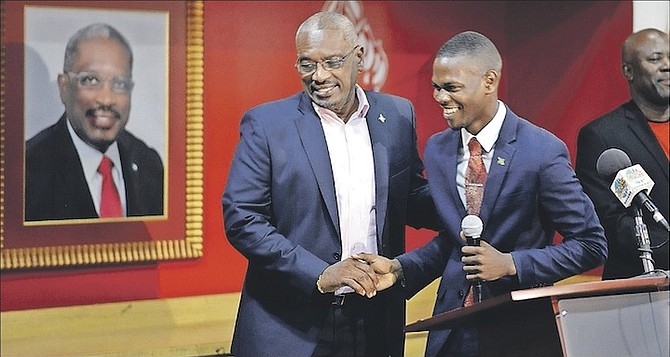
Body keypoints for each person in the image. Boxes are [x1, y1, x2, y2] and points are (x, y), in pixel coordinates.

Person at [357, 31, 608, 357]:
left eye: (451, 87)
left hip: (520, 332)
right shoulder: (438, 149)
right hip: (451, 331)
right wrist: (400, 269)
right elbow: (454, 241)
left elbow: (590, 245)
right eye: (436, 87)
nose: (440, 98)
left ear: (489, 81)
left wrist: (512, 264)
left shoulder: (542, 151)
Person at [221, 11, 438, 357]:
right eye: (307, 65)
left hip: (375, 319)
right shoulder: (266, 124)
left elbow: (410, 196)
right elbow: (242, 219)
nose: (319, 76)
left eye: (332, 62)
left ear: (359, 57)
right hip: (290, 326)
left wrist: (467, 200)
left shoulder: (397, 116)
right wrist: (319, 274)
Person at [25, 23, 164, 221]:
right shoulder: (27, 172)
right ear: (64, 87)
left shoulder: (149, 164)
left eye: (119, 84)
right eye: (90, 80)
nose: (106, 99)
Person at [576, 28, 669, 280]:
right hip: (643, 287)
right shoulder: (602, 136)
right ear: (628, 71)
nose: (667, 66)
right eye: (655, 59)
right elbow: (613, 223)